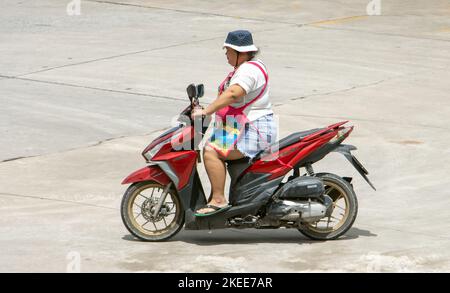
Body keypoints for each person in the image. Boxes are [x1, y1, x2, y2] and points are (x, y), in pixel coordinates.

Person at [191, 30, 277, 216]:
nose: (226, 54)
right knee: (212, 145)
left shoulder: (249, 70)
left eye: (228, 50)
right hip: (241, 126)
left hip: (254, 129)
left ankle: (219, 200)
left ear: (241, 52)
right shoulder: (249, 66)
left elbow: (233, 94)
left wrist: (207, 111)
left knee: (211, 152)